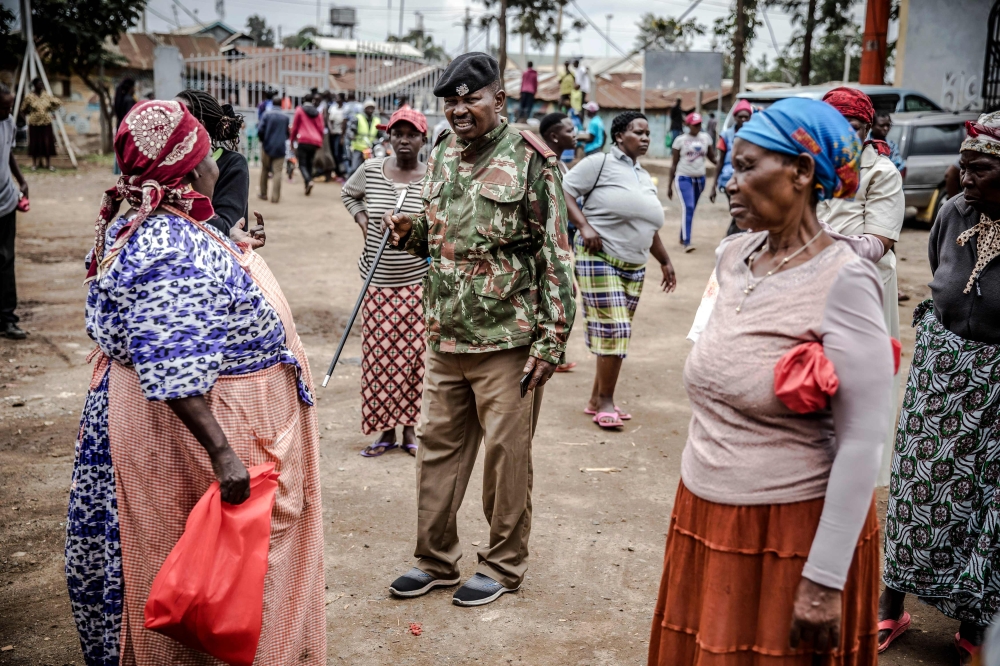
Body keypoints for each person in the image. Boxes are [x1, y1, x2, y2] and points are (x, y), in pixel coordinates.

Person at [64, 99, 325, 665]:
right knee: (216, 571)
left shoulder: (157, 220)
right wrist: (224, 454)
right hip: (194, 433)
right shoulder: (165, 246)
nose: (215, 165)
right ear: (183, 168)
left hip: (188, 423)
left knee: (212, 565)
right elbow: (174, 366)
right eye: (206, 154)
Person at [648, 97, 893, 666]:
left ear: (803, 173)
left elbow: (862, 442)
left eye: (747, 166)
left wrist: (824, 578)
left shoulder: (847, 280)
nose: (730, 184)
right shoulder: (733, 255)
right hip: (703, 510)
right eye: (731, 167)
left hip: (790, 531)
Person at [381, 52, 576, 607]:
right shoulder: (441, 153)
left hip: (508, 341)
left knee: (506, 458)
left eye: (472, 98)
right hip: (445, 335)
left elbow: (556, 255)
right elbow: (443, 237)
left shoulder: (534, 160)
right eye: (451, 102)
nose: (460, 110)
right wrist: (410, 231)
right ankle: (435, 560)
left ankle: (504, 564)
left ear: (499, 99)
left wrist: (552, 338)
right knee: (437, 451)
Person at [878, 110, 1000, 664]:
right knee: (916, 484)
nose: (963, 176)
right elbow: (937, 274)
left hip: (996, 383)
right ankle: (891, 604)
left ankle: (975, 623)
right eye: (964, 166)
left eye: (978, 169)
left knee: (984, 498)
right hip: (940, 369)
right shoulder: (953, 213)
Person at [562, 110, 677, 429]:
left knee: (613, 333)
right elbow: (565, 191)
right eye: (638, 132)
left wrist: (665, 260)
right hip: (599, 257)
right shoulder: (598, 163)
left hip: (635, 264)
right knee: (616, 330)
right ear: (618, 136)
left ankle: (596, 398)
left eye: (648, 134)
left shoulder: (642, 175)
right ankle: (607, 403)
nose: (645, 138)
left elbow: (647, 223)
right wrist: (583, 226)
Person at [817, 87, 905, 487]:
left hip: (864, 291)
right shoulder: (814, 164)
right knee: (816, 378)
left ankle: (856, 478)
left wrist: (814, 241)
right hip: (816, 286)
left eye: (851, 126)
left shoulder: (881, 173)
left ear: (866, 128)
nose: (842, 134)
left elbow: (877, 243)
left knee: (859, 384)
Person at [340, 107, 430, 458]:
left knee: (414, 360)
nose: (404, 140)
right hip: (376, 283)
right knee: (378, 360)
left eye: (411, 134)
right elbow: (349, 194)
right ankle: (385, 433)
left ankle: (409, 431)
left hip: (417, 282)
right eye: (397, 133)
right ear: (389, 138)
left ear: (423, 139)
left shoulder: (432, 177)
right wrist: (362, 220)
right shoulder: (371, 170)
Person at [176, 90, 254, 241]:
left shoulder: (232, 164)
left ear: (198, 126)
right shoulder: (163, 164)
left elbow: (227, 231)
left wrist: (190, 193)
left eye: (177, 114)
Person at [540, 111, 581, 374]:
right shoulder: (543, 163)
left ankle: (558, 355)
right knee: (558, 295)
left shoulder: (561, 164)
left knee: (565, 295)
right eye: (569, 130)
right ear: (554, 135)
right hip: (548, 246)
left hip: (562, 244)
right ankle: (551, 355)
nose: (575, 134)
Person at [0, 85, 28, 340]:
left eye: (10, 106)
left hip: (6, 201)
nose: (8, 111)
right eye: (4, 106)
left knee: (6, 260)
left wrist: (20, 180)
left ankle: (8, 319)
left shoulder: (7, 122)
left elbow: (8, 151)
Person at [668, 112, 716, 252]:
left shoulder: (705, 138)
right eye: (694, 125)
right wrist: (669, 186)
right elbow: (674, 163)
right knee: (688, 207)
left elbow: (712, 157)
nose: (697, 127)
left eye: (699, 124)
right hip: (684, 177)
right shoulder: (680, 140)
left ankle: (682, 236)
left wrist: (724, 165)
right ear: (687, 125)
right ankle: (687, 242)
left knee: (691, 209)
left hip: (700, 179)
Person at [711, 99, 753, 236]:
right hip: (729, 181)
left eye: (746, 117)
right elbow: (720, 161)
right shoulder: (726, 136)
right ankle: (733, 240)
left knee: (741, 212)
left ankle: (732, 240)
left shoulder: (754, 136)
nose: (743, 119)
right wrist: (714, 186)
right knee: (738, 212)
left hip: (747, 181)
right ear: (734, 117)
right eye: (740, 116)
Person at [21, 78, 61, 171]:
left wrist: (50, 109)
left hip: (46, 123)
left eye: (42, 84)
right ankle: (34, 164)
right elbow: (23, 110)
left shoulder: (46, 95)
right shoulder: (29, 97)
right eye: (39, 84)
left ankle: (48, 164)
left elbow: (57, 103)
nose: (41, 85)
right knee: (35, 143)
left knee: (47, 143)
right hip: (34, 124)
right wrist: (27, 119)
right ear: (35, 85)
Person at [290, 93, 324, 194]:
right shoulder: (317, 112)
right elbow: (321, 128)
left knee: (302, 164)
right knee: (309, 164)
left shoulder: (299, 110)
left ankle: (308, 181)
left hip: (303, 140)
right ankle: (307, 185)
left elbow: (295, 126)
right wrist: (320, 141)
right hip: (314, 142)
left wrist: (292, 140)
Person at [257, 101, 290, 203]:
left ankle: (263, 194)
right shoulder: (285, 117)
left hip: (267, 147)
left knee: (265, 170)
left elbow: (260, 130)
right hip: (280, 148)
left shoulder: (266, 115)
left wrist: (264, 141)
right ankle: (275, 198)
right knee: (278, 172)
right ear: (281, 104)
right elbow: (287, 133)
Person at [348, 99, 382, 177]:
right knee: (354, 168)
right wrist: (352, 135)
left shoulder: (377, 120)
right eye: (368, 107)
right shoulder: (358, 118)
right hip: (359, 147)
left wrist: (386, 137)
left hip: (371, 148)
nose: (370, 110)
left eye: (372, 108)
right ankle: (349, 184)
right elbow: (351, 129)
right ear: (364, 108)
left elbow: (380, 132)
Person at [329, 92, 347, 179]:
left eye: (338, 98)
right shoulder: (333, 108)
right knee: (335, 153)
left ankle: (341, 172)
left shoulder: (345, 109)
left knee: (341, 153)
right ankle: (337, 171)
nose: (336, 99)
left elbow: (345, 123)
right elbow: (329, 120)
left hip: (342, 134)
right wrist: (331, 129)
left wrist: (342, 137)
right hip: (334, 134)